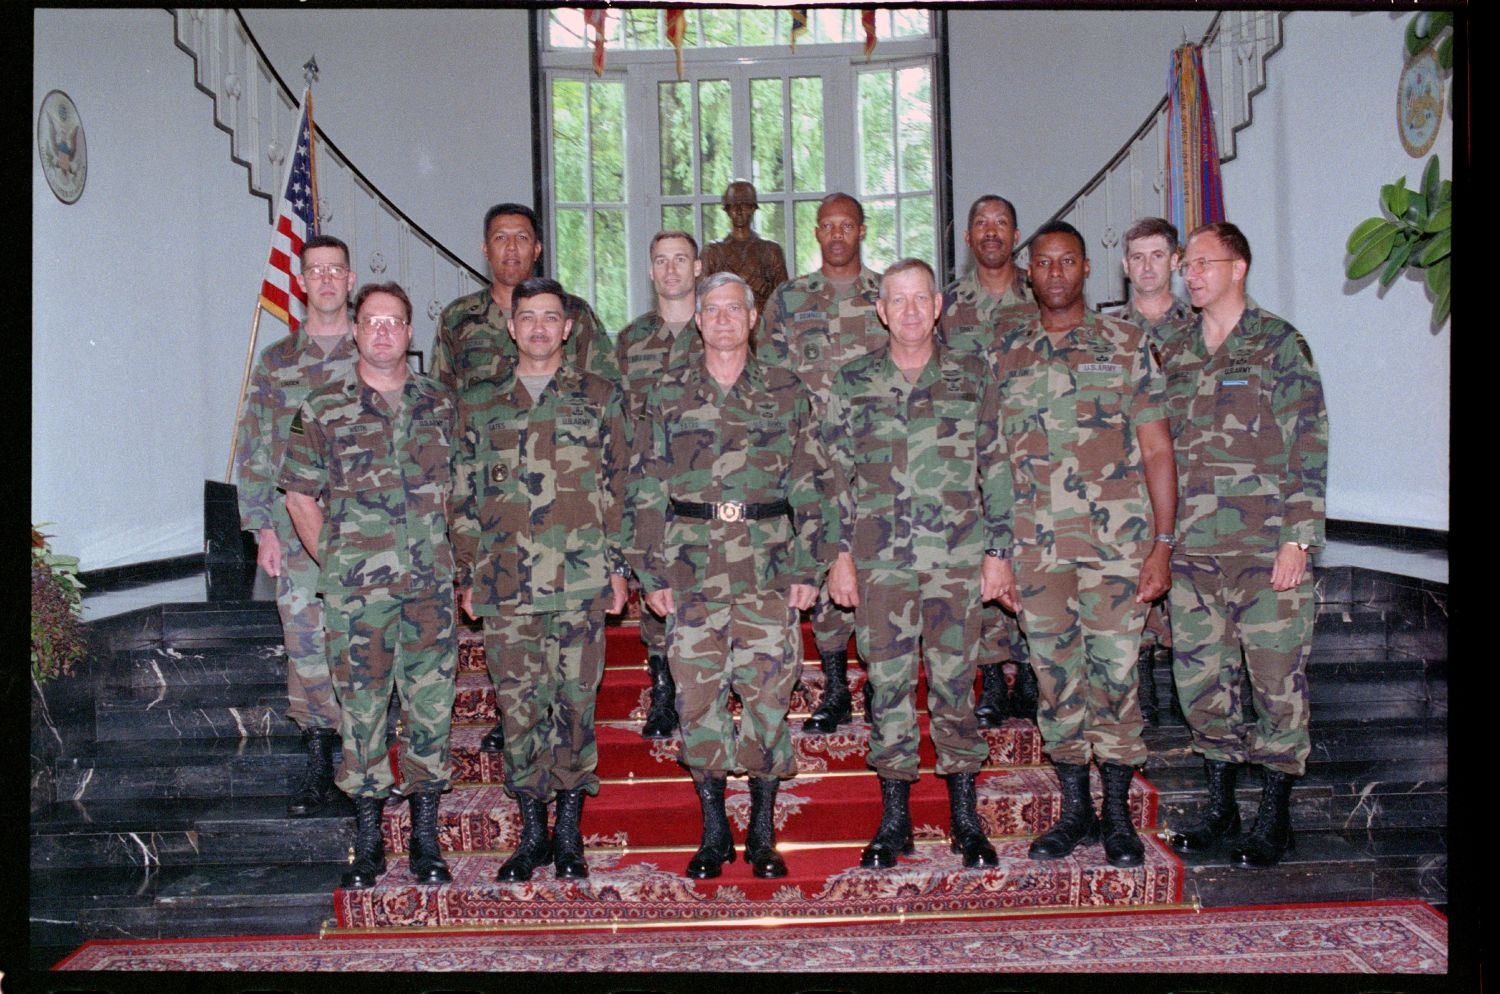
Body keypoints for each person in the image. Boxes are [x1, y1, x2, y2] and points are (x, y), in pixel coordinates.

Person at [987, 221, 1178, 869]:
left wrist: (1163, 544)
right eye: (1044, 263)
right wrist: (998, 550)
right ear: (1030, 273)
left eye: (1068, 260)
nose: (1057, 272)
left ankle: (1119, 818)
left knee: (1117, 679)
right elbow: (993, 459)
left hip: (1116, 550)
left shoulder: (1125, 343)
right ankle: (1076, 812)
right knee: (1056, 681)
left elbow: (1157, 447)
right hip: (1037, 552)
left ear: (1088, 268)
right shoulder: (1008, 350)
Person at [626, 272, 827, 881]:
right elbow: (644, 486)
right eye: (710, 309)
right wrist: (648, 568)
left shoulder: (786, 390)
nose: (721, 319)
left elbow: (812, 483)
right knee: (697, 698)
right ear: (698, 319)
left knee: (768, 696)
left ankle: (763, 833)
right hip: (690, 569)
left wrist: (808, 564)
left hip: (767, 565)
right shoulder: (666, 393)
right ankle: (714, 831)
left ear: (753, 316)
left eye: (732, 309)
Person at [823, 258, 1011, 870]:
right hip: (881, 566)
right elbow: (833, 478)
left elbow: (997, 466)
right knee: (888, 688)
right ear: (880, 311)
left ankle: (964, 819)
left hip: (955, 561)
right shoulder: (852, 382)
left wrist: (998, 552)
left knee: (957, 686)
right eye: (895, 300)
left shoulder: (971, 375)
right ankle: (895, 819)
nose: (907, 311)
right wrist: (839, 557)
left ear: (936, 307)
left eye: (918, 300)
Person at [1159, 222, 1327, 867]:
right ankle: (1221, 808)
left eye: (1203, 263)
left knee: (1276, 683)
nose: (1190, 274)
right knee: (1202, 683)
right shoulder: (1171, 348)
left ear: (1239, 267)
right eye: (1186, 265)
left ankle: (1275, 818)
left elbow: (1308, 444)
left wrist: (1298, 539)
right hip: (1194, 555)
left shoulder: (1280, 345)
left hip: (1265, 552)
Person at [280, 281, 458, 890]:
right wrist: (333, 558)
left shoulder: (442, 403)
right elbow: (299, 493)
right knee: (362, 713)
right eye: (372, 321)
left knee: (431, 709)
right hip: (358, 592)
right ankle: (369, 839)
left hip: (431, 587)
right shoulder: (323, 407)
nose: (383, 331)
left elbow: (466, 494)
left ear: (411, 336)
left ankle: (427, 839)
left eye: (396, 322)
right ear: (356, 331)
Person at [452, 277, 630, 882]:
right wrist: (471, 570)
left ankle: (571, 835)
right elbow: (460, 497)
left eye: (550, 318)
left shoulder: (600, 396)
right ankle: (532, 836)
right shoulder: (479, 400)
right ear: (511, 325)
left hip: (580, 583)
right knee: (519, 710)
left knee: (576, 708)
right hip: (505, 586)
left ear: (568, 327)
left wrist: (619, 567)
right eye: (527, 317)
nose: (538, 328)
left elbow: (621, 488)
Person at [233, 234, 359, 818]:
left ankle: (365, 759)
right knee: (305, 643)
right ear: (302, 282)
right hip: (294, 528)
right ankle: (318, 758)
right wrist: (262, 527)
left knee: (365, 640)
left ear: (350, 279)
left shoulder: (374, 348)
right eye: (317, 271)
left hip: (366, 530)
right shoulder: (278, 362)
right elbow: (257, 447)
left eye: (337, 270)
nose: (328, 280)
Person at [761, 192, 886, 735]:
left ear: (861, 231)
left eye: (847, 226)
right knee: (823, 563)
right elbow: (766, 379)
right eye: (827, 226)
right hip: (810, 461)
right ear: (816, 233)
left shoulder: (888, 293)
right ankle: (835, 689)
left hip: (881, 458)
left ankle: (884, 689)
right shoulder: (789, 300)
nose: (837, 235)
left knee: (879, 572)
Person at [940, 195, 1038, 730]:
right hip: (973, 460)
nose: (991, 231)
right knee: (982, 560)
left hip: (1035, 453)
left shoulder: (1040, 294)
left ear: (1016, 231)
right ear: (969, 237)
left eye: (1001, 222)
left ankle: (1029, 673)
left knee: (1034, 560)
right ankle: (993, 680)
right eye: (981, 223)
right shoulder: (949, 306)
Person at [615, 231, 706, 740]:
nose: (671, 270)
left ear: (698, 268)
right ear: (650, 271)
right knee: (657, 590)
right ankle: (663, 694)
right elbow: (621, 422)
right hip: (649, 487)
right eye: (660, 261)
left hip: (706, 485)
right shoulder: (631, 341)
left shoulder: (717, 326)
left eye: (680, 260)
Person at [1112, 217, 1195, 726]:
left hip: (1193, 478)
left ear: (1175, 260)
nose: (1147, 266)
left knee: (1189, 591)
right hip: (1128, 484)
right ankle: (1142, 684)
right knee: (1134, 586)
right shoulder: (1108, 333)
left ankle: (1191, 692)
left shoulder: (1202, 327)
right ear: (1124, 266)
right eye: (1137, 257)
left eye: (1157, 255)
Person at [432, 203, 619, 398]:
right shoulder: (458, 317)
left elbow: (608, 391)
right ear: (486, 249)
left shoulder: (574, 312)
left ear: (537, 249)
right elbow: (439, 399)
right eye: (500, 238)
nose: (511, 247)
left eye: (522, 238)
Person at [699, 180, 790, 314]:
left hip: (763, 327)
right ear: (727, 210)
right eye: (733, 205)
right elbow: (703, 298)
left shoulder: (771, 250)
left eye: (745, 205)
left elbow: (784, 298)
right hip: (724, 323)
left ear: (753, 208)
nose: (739, 210)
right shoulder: (712, 252)